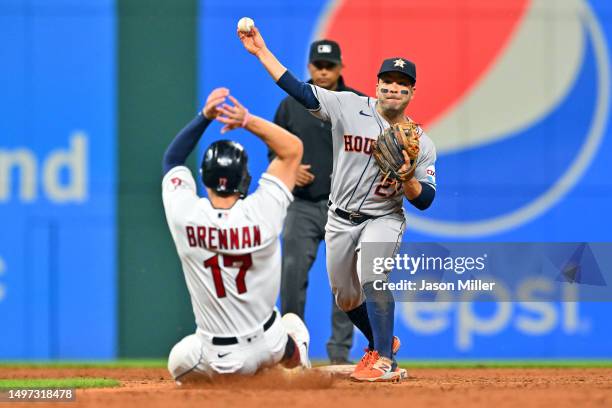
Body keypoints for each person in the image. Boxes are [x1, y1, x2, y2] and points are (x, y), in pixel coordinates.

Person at [238, 26, 437, 382]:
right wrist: (261, 52)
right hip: (339, 217)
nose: (393, 88)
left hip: (383, 216)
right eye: (387, 82)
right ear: (377, 86)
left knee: (373, 275)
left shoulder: (421, 142)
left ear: (411, 92)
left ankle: (385, 360)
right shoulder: (346, 105)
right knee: (346, 298)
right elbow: (297, 89)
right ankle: (381, 341)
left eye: (401, 84)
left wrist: (407, 179)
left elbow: (426, 200)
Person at [162, 87, 310, 382]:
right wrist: (246, 120)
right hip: (270, 341)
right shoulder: (263, 210)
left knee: (178, 362)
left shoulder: (185, 215)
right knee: (292, 321)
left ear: (203, 178)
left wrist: (205, 116)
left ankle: (224, 383)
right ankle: (294, 355)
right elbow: (292, 149)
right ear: (245, 179)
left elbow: (172, 160)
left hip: (222, 359)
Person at [272, 39, 364, 365]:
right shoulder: (291, 104)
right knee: (293, 273)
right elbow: (275, 151)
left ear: (340, 67)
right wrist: (290, 170)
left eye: (329, 65)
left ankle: (339, 354)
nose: (323, 71)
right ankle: (292, 352)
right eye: (318, 65)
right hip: (303, 204)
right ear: (309, 67)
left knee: (345, 280)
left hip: (344, 206)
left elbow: (366, 149)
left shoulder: (354, 103)